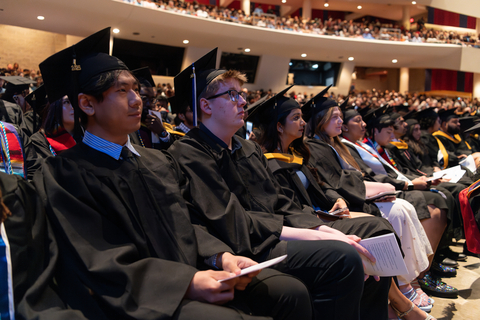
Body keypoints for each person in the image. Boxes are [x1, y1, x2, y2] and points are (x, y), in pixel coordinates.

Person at [34, 28, 313, 320]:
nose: (136, 100)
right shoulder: (64, 174)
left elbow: (188, 221)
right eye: (121, 91)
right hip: (140, 295)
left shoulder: (158, 162)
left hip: (193, 270)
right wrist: (186, 283)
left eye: (135, 90)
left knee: (289, 294)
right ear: (87, 104)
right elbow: (97, 257)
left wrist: (222, 256)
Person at [169, 48, 397, 320]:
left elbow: (281, 202)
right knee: (342, 256)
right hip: (251, 245)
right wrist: (317, 235)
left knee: (372, 235)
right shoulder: (189, 153)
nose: (242, 101)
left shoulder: (247, 148)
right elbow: (232, 220)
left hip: (277, 232)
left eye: (241, 94)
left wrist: (322, 228)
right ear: (205, 106)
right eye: (232, 94)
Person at [254, 85, 436, 320]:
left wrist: (337, 199)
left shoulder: (296, 153)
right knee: (376, 227)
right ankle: (396, 304)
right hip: (304, 222)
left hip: (321, 213)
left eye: (302, 117)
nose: (302, 122)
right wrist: (318, 217)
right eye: (296, 118)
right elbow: (285, 206)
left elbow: (322, 185)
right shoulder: (269, 161)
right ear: (278, 126)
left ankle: (387, 306)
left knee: (380, 227)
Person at [30, 94, 76, 159]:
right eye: (67, 102)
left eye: (76, 101)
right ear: (55, 109)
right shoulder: (40, 141)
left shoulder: (87, 135)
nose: (74, 106)